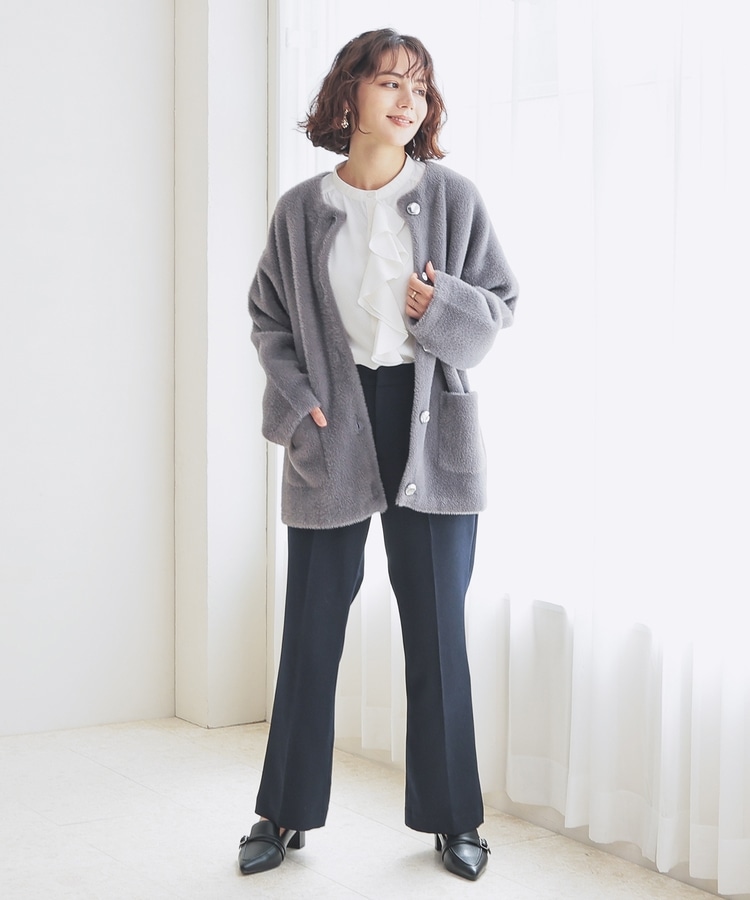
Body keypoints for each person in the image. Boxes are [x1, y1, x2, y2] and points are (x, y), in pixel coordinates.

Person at [239, 27, 518, 882]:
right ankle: (281, 813)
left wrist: (443, 306)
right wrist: (300, 400)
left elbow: (499, 305)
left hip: (429, 426)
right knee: (311, 627)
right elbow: (269, 318)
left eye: (419, 88)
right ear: (349, 93)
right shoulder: (301, 210)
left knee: (437, 631)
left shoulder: (453, 197)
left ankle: (456, 819)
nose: (408, 101)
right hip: (333, 423)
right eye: (391, 83)